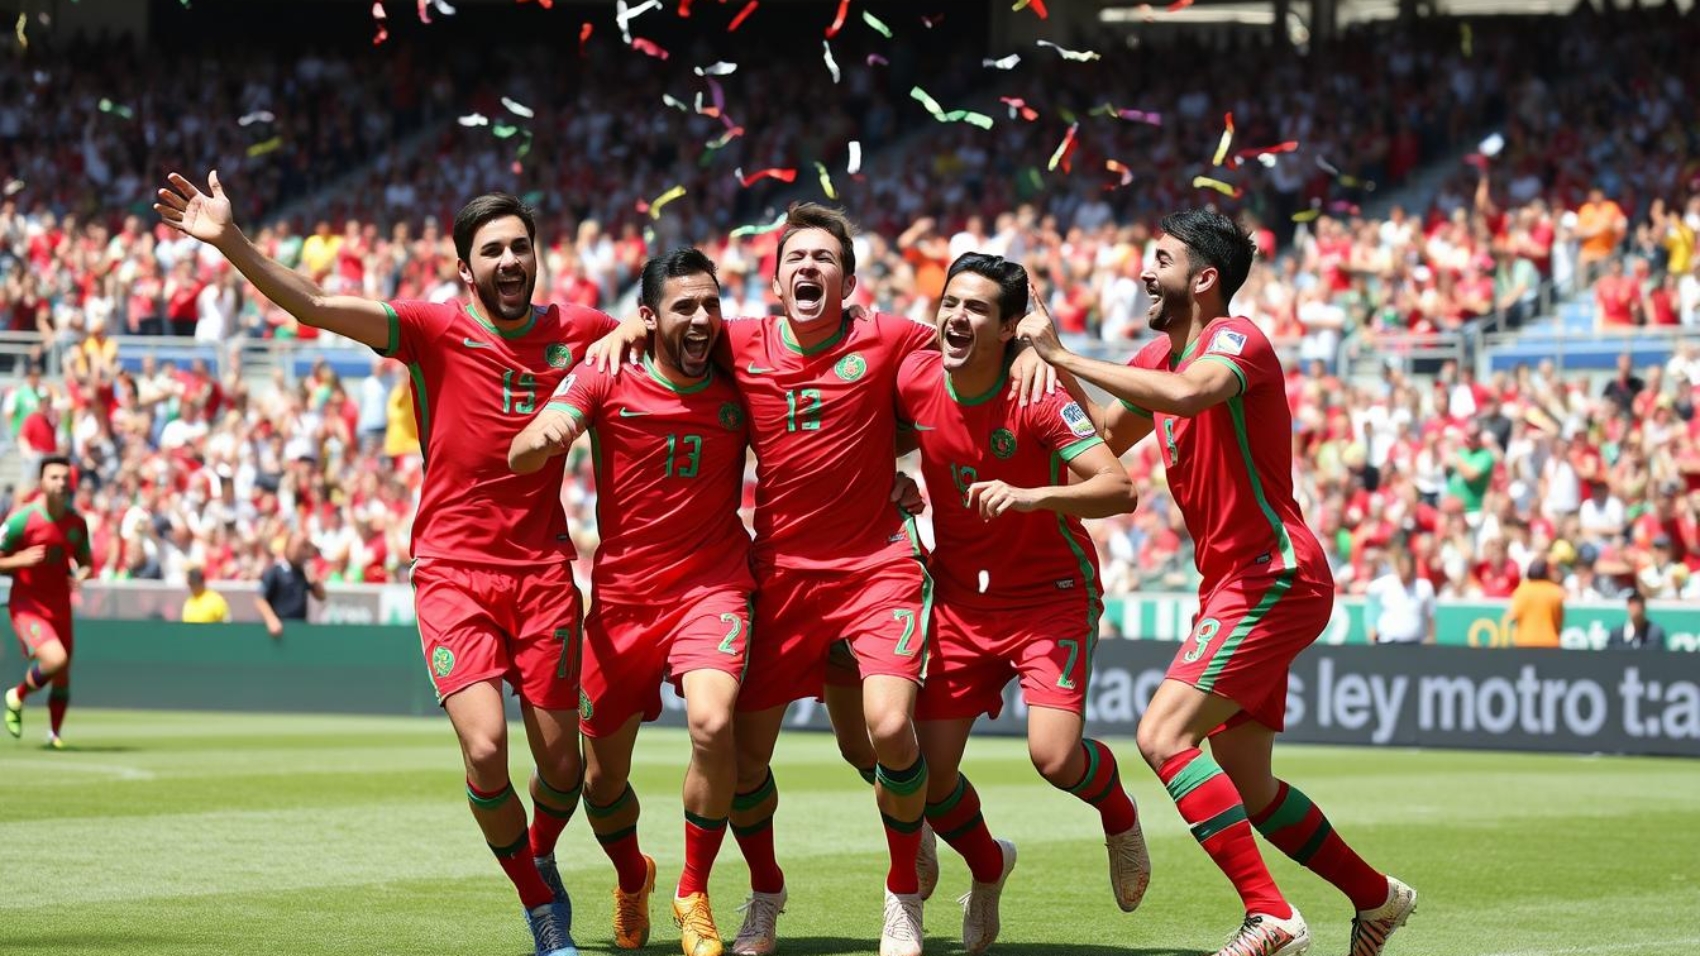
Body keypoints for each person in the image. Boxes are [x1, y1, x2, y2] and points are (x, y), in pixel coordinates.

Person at [156, 171, 608, 956]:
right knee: (484, 748)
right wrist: (232, 242)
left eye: (520, 248)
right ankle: (539, 905)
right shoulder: (432, 328)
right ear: (465, 269)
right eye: (492, 250)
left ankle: (539, 845)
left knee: (564, 767)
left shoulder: (581, 329)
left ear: (537, 258)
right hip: (452, 571)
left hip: (542, 574)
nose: (509, 260)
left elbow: (681, 342)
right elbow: (317, 304)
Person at [587, 203, 1051, 956]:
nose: (809, 267)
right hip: (780, 577)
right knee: (743, 760)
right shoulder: (739, 342)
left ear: (850, 282)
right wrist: (625, 327)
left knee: (890, 730)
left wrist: (1030, 347)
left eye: (824, 258)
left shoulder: (893, 336)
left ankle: (904, 898)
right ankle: (765, 896)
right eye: (795, 258)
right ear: (774, 284)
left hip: (878, 570)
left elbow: (972, 354)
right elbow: (673, 324)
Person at [1015, 209, 1415, 956]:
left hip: (1274, 574)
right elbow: (1099, 437)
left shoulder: (1237, 342)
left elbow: (1193, 394)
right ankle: (1377, 898)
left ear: (1203, 278)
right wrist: (1022, 392)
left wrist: (1065, 354)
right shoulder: (1155, 360)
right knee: (1250, 785)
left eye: (1159, 258)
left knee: (1163, 735)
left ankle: (1273, 915)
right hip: (1232, 584)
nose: (1143, 271)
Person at [894, 254, 1148, 955]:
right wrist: (891, 480)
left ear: (1009, 328)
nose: (956, 317)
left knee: (1055, 757)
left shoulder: (1036, 393)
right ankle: (987, 863)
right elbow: (873, 439)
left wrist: (1035, 495)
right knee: (929, 774)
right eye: (950, 303)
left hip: (1049, 598)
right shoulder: (916, 379)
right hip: (960, 603)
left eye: (977, 308)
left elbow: (1119, 487)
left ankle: (1119, 813)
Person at [509, 248, 753, 956]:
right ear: (648, 318)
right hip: (623, 601)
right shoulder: (607, 373)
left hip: (714, 586)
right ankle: (632, 874)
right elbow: (530, 444)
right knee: (598, 777)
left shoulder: (740, 377)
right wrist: (544, 437)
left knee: (713, 724)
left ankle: (693, 892)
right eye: (685, 306)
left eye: (711, 304)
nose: (703, 318)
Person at [2, 456, 91, 748]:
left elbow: (86, 561)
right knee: (55, 659)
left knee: (62, 674)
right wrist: (20, 560)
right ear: (41, 482)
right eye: (54, 477)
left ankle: (55, 734)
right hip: (28, 605)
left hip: (60, 606)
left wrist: (82, 574)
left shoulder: (77, 523)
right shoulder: (22, 520)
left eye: (66, 477)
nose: (61, 483)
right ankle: (17, 695)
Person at [255, 533, 325, 637]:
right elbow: (260, 599)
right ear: (288, 547)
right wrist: (271, 620)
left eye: (302, 547)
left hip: (300, 629)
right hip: (280, 630)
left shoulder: (304, 572)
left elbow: (321, 596)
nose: (298, 552)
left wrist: (314, 581)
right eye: (295, 546)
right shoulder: (276, 571)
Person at [1364, 550, 1437, 645]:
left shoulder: (1424, 587)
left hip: (1415, 644)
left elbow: (1431, 615)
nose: (1405, 571)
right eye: (1402, 567)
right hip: (1387, 642)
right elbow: (1371, 602)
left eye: (1408, 567)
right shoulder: (1385, 584)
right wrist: (1371, 627)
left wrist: (1431, 637)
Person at [1504, 558, 1566, 649]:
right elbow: (1559, 621)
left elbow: (1512, 616)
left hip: (1525, 642)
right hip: (1550, 643)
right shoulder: (1555, 591)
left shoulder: (1522, 591)